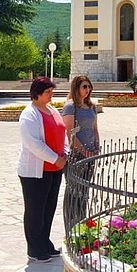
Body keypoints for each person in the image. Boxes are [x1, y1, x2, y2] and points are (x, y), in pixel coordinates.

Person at [18, 76, 68, 263]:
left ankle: (45, 243)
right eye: (48, 92)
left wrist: (64, 154)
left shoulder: (52, 110)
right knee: (35, 210)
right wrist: (55, 159)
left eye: (51, 91)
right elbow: (33, 144)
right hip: (36, 171)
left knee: (48, 208)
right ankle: (34, 248)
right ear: (37, 93)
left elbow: (63, 134)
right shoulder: (29, 114)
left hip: (55, 169)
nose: (51, 95)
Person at [62, 75, 100, 223]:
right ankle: (71, 222)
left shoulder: (91, 106)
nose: (88, 90)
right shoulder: (70, 107)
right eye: (84, 87)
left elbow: (95, 128)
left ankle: (82, 219)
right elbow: (69, 132)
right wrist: (83, 151)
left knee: (84, 189)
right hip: (77, 154)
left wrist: (96, 146)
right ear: (76, 88)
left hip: (90, 153)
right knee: (74, 190)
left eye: (89, 87)